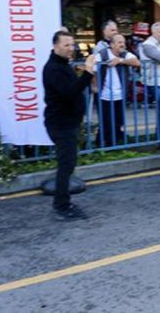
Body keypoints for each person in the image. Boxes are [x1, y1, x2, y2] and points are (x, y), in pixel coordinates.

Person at [43, 30, 97, 220]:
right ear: (55, 46)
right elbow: (69, 93)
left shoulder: (63, 65)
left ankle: (63, 203)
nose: (70, 49)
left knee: (68, 163)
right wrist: (88, 73)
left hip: (67, 122)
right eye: (66, 45)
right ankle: (61, 206)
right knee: (66, 164)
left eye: (72, 45)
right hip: (60, 124)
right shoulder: (53, 69)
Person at [94, 34, 141, 147]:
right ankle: (102, 143)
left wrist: (120, 61)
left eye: (123, 42)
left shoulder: (125, 54)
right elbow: (94, 70)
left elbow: (137, 62)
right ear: (112, 44)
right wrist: (95, 86)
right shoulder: (102, 54)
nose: (122, 45)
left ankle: (113, 143)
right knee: (106, 121)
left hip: (119, 94)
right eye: (119, 42)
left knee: (118, 120)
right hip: (104, 94)